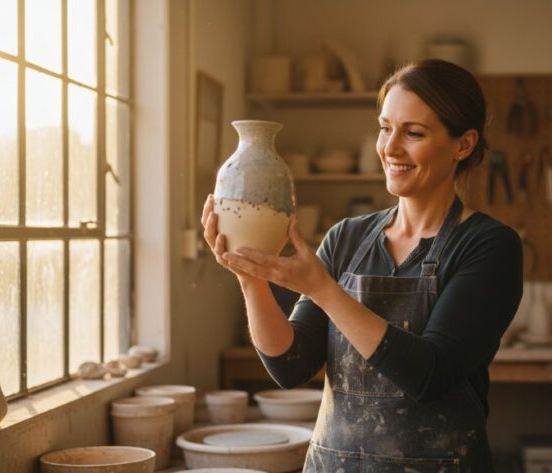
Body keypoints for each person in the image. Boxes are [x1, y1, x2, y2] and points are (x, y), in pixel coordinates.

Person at [201, 59, 523, 472]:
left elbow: (430, 374)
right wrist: (250, 282)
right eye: (385, 127)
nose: (390, 148)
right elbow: (290, 364)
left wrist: (324, 290)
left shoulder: (488, 245)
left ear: (463, 144)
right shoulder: (346, 238)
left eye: (414, 133)